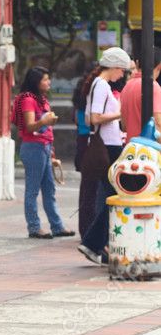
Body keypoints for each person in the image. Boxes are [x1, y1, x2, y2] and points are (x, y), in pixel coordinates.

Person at [78, 47, 132, 264]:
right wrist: (121, 112)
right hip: (108, 147)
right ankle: (94, 243)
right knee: (118, 195)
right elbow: (94, 118)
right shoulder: (101, 85)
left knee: (114, 195)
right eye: (122, 71)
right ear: (116, 67)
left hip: (108, 145)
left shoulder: (100, 85)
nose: (122, 75)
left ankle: (98, 244)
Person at [11, 66, 74, 240]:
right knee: (32, 190)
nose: (48, 82)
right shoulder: (28, 100)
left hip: (44, 147)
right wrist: (44, 120)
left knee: (49, 189)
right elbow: (30, 126)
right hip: (33, 148)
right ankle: (34, 227)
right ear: (36, 82)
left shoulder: (41, 99)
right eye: (45, 79)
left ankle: (57, 225)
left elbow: (44, 128)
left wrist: (51, 151)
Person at [72, 65, 98, 240]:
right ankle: (90, 227)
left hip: (82, 141)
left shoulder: (82, 91)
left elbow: (76, 118)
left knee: (86, 188)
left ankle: (86, 226)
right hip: (91, 140)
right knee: (93, 189)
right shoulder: (95, 90)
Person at [119, 48, 161, 141]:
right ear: (159, 66)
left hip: (132, 148)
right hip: (150, 150)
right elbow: (158, 123)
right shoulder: (153, 86)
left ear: (137, 63)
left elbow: (124, 126)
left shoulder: (127, 86)